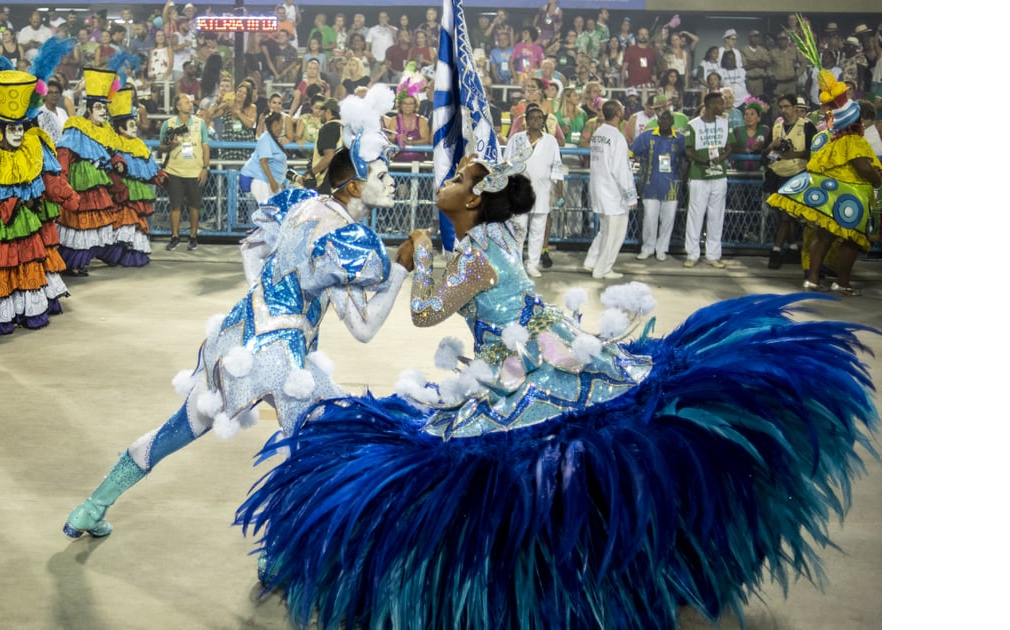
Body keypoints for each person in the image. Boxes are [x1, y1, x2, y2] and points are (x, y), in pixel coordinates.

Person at [238, 151, 880, 630]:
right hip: (525, 353)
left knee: (497, 471)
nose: (447, 180)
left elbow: (426, 314)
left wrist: (420, 258)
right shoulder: (486, 238)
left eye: (458, 178)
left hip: (525, 372)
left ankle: (556, 587)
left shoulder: (477, 250)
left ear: (471, 201)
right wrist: (429, 252)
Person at [63, 116, 409, 540]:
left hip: (239, 334)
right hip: (283, 357)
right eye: (384, 174)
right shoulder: (346, 238)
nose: (393, 182)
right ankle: (275, 555)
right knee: (314, 451)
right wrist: (403, 272)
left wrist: (269, 301)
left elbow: (253, 250)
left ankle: (91, 506)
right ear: (354, 186)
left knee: (182, 426)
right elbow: (364, 328)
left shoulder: (301, 204)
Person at [769, 18, 882, 296]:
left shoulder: (832, 140)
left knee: (823, 236)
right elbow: (863, 168)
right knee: (852, 242)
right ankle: (842, 283)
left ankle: (813, 279)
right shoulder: (853, 141)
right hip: (851, 196)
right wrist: (878, 178)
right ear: (857, 120)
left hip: (831, 195)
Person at [0, 68, 82, 333]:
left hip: (27, 224)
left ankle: (26, 312)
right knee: (2, 268)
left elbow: (47, 184)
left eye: (20, 128)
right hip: (0, 226)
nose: (18, 134)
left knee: (27, 264)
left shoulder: (31, 154)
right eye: (13, 129)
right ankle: (2, 317)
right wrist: (6, 207)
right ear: (2, 129)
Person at [56, 67, 123, 275]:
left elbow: (111, 151)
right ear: (88, 108)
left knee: (95, 223)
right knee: (78, 223)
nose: (103, 111)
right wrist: (62, 181)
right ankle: (70, 263)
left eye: (104, 107)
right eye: (98, 107)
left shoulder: (105, 131)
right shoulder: (77, 126)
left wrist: (119, 161)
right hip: (80, 182)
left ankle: (81, 260)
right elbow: (65, 154)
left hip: (97, 182)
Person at [104, 85, 164, 266]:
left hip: (137, 189)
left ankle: (134, 252)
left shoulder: (139, 144)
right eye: (130, 125)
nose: (134, 128)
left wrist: (158, 175)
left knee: (137, 221)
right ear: (121, 128)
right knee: (123, 219)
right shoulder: (114, 142)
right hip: (120, 188)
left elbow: (148, 165)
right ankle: (118, 253)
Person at [508, 104, 564, 278]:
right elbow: (506, 164)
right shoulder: (516, 139)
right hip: (520, 191)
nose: (537, 121)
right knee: (519, 228)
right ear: (526, 120)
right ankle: (515, 264)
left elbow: (557, 167)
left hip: (542, 191)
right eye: (533, 117)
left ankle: (532, 263)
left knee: (538, 230)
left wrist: (560, 192)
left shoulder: (550, 141)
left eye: (540, 118)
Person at [762, 93, 816, 269]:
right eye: (781, 107)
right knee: (783, 215)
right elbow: (767, 154)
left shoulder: (807, 127)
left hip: (797, 174)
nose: (784, 110)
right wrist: (772, 147)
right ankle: (793, 249)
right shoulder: (777, 127)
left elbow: (814, 152)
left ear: (795, 108)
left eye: (787, 106)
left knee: (786, 215)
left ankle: (776, 251)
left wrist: (793, 154)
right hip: (777, 173)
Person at [586, 99, 638, 280]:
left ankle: (591, 261)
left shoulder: (598, 132)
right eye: (622, 108)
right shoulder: (617, 137)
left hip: (599, 189)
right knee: (614, 234)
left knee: (605, 230)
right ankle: (603, 269)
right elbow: (621, 169)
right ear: (618, 113)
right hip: (613, 192)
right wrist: (631, 197)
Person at [683, 90, 734, 269]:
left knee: (716, 216)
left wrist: (722, 157)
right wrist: (704, 161)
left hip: (719, 175)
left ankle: (713, 255)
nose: (724, 106)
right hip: (698, 175)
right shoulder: (693, 125)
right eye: (721, 103)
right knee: (695, 215)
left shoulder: (725, 123)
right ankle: (692, 254)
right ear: (711, 105)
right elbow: (688, 150)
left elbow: (729, 146)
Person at [157, 93, 211, 251]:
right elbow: (162, 146)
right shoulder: (169, 124)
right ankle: (175, 237)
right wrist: (170, 146)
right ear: (178, 106)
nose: (190, 104)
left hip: (195, 172)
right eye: (186, 102)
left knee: (194, 205)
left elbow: (205, 147)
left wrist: (205, 168)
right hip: (174, 171)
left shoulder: (200, 123)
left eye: (190, 102)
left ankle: (193, 236)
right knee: (175, 205)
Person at [632, 107, 685, 262]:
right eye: (662, 119)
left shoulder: (680, 138)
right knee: (649, 218)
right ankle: (647, 248)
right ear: (657, 120)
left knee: (668, 219)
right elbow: (633, 151)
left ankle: (661, 249)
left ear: (673, 122)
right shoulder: (647, 136)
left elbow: (686, 158)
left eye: (668, 119)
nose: (664, 122)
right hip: (650, 184)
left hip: (672, 186)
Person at [240, 111, 288, 203]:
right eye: (282, 124)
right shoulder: (265, 138)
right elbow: (263, 161)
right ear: (275, 124)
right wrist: (272, 182)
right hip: (262, 182)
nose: (282, 128)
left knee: (273, 214)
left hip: (271, 183)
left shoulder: (273, 139)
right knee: (266, 213)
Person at [300, 97, 343, 191]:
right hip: (343, 180)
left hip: (328, 182)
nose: (320, 114)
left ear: (328, 111)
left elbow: (329, 156)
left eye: (322, 111)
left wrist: (311, 172)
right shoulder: (345, 128)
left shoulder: (327, 128)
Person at [384, 91, 430, 163]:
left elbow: (426, 140)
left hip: (418, 159)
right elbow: (390, 140)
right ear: (400, 105)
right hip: (399, 158)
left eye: (410, 104)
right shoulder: (394, 120)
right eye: (404, 103)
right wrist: (398, 138)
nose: (407, 106)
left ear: (415, 105)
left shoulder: (421, 120)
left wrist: (410, 142)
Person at [740, 30, 771, 101]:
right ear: (749, 38)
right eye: (753, 37)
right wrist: (759, 62)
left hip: (760, 81)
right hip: (748, 81)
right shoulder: (743, 50)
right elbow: (745, 67)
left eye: (757, 37)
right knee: (748, 101)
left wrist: (752, 62)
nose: (755, 39)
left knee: (759, 101)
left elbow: (766, 63)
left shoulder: (762, 50)